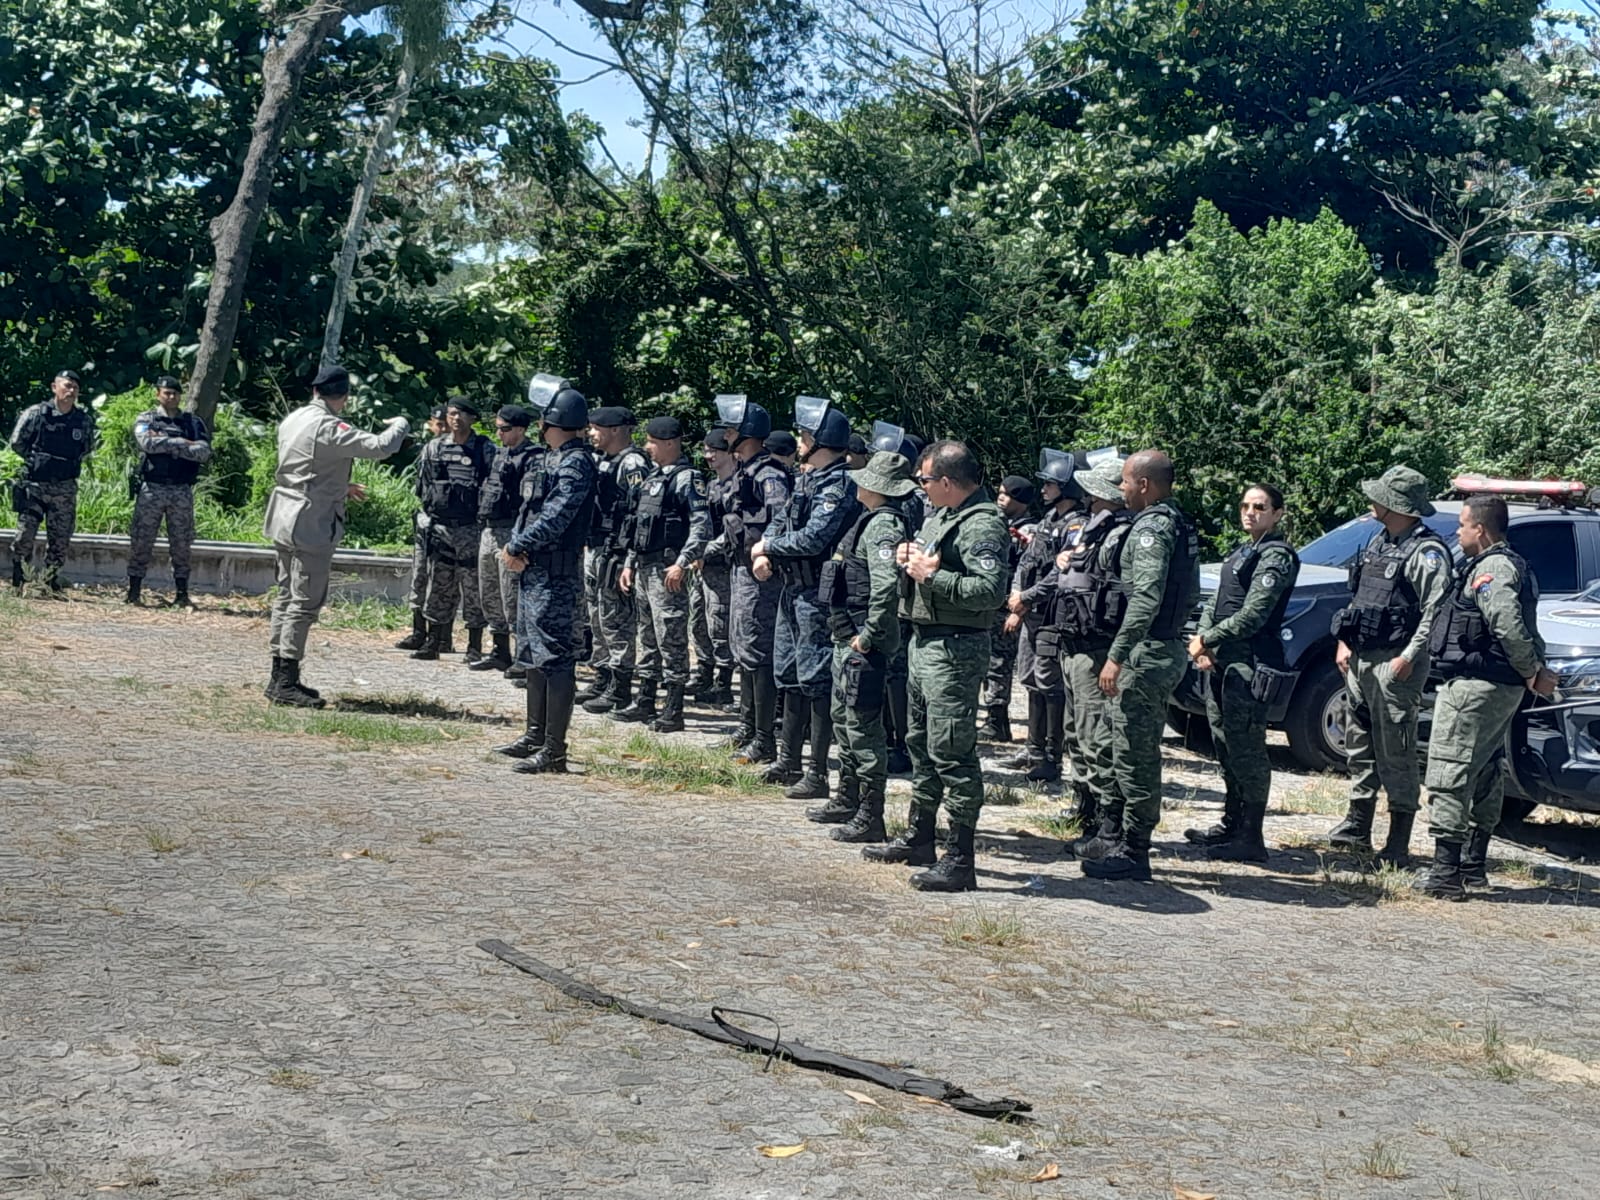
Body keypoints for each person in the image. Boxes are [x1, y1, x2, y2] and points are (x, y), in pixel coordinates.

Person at [863, 440, 1008, 892]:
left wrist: (932, 576)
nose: (920, 488)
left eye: (925, 480)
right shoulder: (942, 517)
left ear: (946, 482)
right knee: (921, 743)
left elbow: (991, 591)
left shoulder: (984, 525)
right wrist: (911, 561)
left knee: (952, 752)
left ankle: (961, 859)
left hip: (955, 649)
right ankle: (920, 836)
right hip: (924, 642)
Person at [1420, 497, 1557, 898]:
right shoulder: (1495, 564)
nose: (1458, 533)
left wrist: (1531, 670)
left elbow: (1507, 624)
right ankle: (1471, 866)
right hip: (1490, 684)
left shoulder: (1494, 568)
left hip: (1477, 685)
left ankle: (1446, 873)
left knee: (1450, 768)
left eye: (1462, 525)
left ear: (1480, 529)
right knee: (1482, 770)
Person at [1080, 450, 1200, 882]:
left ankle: (1134, 848)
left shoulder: (1153, 527)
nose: (1121, 490)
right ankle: (1112, 831)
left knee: (1134, 752)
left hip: (1146, 653)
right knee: (1115, 741)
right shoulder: (1175, 522)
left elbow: (1147, 597)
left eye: (1125, 483)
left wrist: (1117, 654)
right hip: (1147, 650)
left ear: (1144, 484)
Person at [1326, 465, 1452, 866]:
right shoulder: (1379, 542)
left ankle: (1398, 843)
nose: (1372, 501)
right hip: (1362, 659)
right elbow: (1358, 600)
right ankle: (1357, 826)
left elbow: (1435, 613)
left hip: (1395, 663)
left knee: (1396, 751)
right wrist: (1344, 643)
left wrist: (1407, 657)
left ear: (1396, 504)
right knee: (1359, 744)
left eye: (1379, 495)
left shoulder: (1426, 552)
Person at [262, 365, 409, 706]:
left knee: (285, 596)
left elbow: (303, 466)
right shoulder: (328, 425)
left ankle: (278, 677)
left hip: (284, 513)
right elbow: (380, 446)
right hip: (310, 520)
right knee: (305, 601)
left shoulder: (294, 418)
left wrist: (339, 485)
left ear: (315, 391)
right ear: (342, 397)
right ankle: (286, 681)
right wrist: (400, 423)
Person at [1184, 484, 1301, 863]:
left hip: (1250, 664)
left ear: (1278, 513)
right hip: (1222, 662)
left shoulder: (1276, 557)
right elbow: (1217, 604)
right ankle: (1231, 823)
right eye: (1246, 506)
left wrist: (1209, 639)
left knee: (1247, 749)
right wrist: (1206, 642)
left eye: (1261, 507)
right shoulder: (1243, 552)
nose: (1250, 512)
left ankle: (1251, 836)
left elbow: (1254, 614)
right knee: (1224, 744)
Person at [753, 396, 860, 798]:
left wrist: (769, 549)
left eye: (804, 434)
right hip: (793, 588)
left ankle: (817, 772)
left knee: (816, 678)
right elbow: (782, 521)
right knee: (790, 673)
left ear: (820, 440)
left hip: (818, 593)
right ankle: (788, 759)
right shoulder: (808, 479)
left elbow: (815, 536)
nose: (799, 440)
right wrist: (767, 545)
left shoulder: (839, 484)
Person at [807, 451, 915, 841]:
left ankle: (872, 815)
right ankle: (847, 797)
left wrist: (869, 634)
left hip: (863, 643)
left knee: (863, 727)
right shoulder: (868, 521)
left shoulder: (884, 526)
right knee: (845, 719)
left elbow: (885, 587)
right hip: (846, 639)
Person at [494, 377, 598, 774]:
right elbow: (529, 512)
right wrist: (518, 545)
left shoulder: (576, 463)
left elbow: (557, 516)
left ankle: (554, 750)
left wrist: (519, 546)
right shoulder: (549, 459)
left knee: (555, 659)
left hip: (554, 574)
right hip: (534, 572)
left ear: (550, 421)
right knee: (534, 656)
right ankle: (534, 735)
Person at [1049, 458, 1133, 851]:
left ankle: (1105, 821)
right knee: (1075, 731)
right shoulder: (1091, 527)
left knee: (1095, 733)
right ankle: (1084, 804)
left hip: (1097, 644)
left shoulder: (1119, 532)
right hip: (1073, 638)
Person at [617, 416, 713, 733]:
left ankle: (674, 708)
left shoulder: (688, 479)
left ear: (670, 443)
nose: (647, 447)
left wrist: (683, 562)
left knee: (671, 638)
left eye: (652, 442)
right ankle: (645, 698)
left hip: (667, 569)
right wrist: (629, 563)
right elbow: (638, 525)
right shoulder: (653, 479)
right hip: (644, 567)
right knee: (647, 636)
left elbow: (702, 526)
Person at [1000, 452, 1086, 782]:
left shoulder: (1076, 525)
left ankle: (1052, 756)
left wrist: (1027, 597)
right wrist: (1016, 594)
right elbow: (1027, 562)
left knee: (1050, 684)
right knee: (1030, 679)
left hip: (1053, 614)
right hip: (1031, 612)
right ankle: (1033, 749)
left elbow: (1059, 574)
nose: (1045, 488)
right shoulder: (1048, 519)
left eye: (1051, 483)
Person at [714, 395, 791, 763]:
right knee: (743, 648)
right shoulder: (747, 470)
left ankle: (764, 737)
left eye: (731, 429)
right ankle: (748, 726)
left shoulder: (770, 474)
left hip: (760, 574)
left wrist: (766, 554)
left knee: (758, 651)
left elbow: (780, 520)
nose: (726, 435)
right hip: (739, 568)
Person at [411, 397, 495, 662]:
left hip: (471, 529)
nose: (456, 419)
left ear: (472, 418)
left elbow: (495, 487)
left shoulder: (484, 449)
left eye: (461, 414)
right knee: (439, 585)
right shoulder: (433, 448)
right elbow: (422, 485)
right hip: (441, 528)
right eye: (451, 414)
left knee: (473, 589)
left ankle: (473, 646)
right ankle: (434, 641)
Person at [579, 408, 650, 715]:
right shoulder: (601, 460)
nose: (591, 433)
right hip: (596, 546)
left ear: (616, 430)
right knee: (597, 617)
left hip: (617, 553)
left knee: (616, 620)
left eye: (596, 428)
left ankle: (620, 686)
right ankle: (603, 675)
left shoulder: (632, 463)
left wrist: (629, 557)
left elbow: (641, 510)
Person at [126, 375, 211, 607]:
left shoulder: (193, 423)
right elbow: (146, 443)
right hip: (152, 489)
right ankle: (133, 591)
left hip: (180, 490)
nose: (171, 397)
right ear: (158, 394)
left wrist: (167, 442)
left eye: (175, 393)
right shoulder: (147, 419)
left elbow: (203, 452)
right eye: (166, 393)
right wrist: (184, 444)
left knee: (182, 543)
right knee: (142, 540)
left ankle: (182, 594)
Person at [9, 369, 96, 591]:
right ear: (54, 387)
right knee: (25, 535)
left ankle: (50, 581)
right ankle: (20, 579)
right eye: (66, 385)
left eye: (75, 387)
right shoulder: (36, 414)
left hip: (64, 488)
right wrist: (38, 461)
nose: (71, 390)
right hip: (36, 485)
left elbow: (86, 448)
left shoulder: (83, 420)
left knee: (60, 539)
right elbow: (17, 442)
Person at [470, 404, 539, 674]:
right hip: (489, 529)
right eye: (497, 428)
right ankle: (500, 650)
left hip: (511, 531)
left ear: (520, 429)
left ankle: (524, 656)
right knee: (489, 593)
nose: (499, 433)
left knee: (512, 596)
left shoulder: (533, 458)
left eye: (505, 429)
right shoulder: (500, 454)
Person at [978, 475, 1035, 742]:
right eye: (999, 492)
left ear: (1021, 501)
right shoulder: (997, 524)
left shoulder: (1029, 531)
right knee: (985, 662)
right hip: (990, 604)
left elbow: (1027, 573)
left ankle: (997, 720)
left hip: (1008, 607)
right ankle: (990, 715)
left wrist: (1017, 611)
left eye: (1008, 494)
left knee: (999, 664)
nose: (1001, 497)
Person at [692, 428, 739, 708]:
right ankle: (704, 673)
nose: (708, 456)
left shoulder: (738, 486)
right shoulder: (710, 487)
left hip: (723, 565)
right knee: (698, 621)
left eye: (714, 451)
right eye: (706, 451)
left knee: (720, 622)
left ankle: (724, 682)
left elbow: (733, 530)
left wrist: (705, 551)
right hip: (703, 567)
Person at [396, 405, 448, 651]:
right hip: (426, 518)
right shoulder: (428, 449)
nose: (443, 427)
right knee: (419, 576)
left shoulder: (458, 451)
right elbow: (421, 486)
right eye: (438, 423)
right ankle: (418, 630)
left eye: (445, 422)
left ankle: (441, 636)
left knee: (442, 580)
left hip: (449, 524)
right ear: (431, 424)